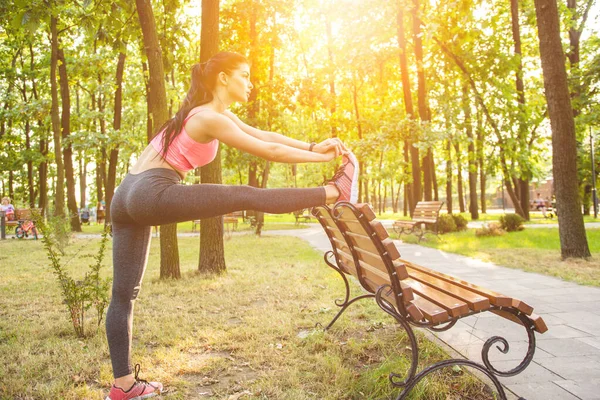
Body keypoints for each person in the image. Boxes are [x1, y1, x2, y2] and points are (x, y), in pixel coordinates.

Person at [104, 51, 358, 400]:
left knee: (123, 295)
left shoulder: (207, 114)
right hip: (151, 190)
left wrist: (314, 145)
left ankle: (123, 387)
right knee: (245, 194)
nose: (250, 83)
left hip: (125, 194)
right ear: (223, 78)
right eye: (244, 75)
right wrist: (325, 158)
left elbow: (267, 135)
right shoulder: (209, 117)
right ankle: (333, 191)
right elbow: (269, 151)